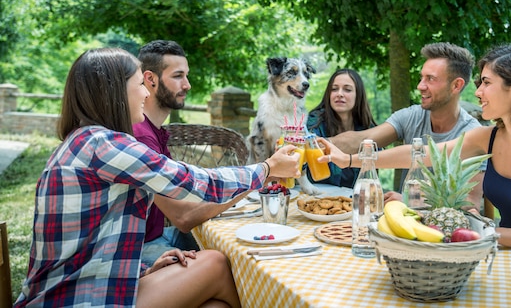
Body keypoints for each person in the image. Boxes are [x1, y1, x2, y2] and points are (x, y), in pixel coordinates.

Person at [15, 47, 300, 308]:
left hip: (91, 286)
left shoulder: (87, 141)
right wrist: (267, 168)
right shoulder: (104, 146)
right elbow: (194, 183)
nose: (146, 94)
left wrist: (144, 271)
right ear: (114, 92)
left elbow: (93, 244)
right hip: (72, 299)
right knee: (215, 262)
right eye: (140, 84)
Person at [320, 44, 511, 255]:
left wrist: (489, 234)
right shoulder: (487, 137)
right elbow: (422, 154)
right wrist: (351, 160)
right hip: (502, 255)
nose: (478, 92)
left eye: (486, 82)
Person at [135, 40, 246, 267]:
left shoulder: (154, 130)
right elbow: (184, 218)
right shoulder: (141, 136)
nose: (187, 85)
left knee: (239, 246)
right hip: (142, 248)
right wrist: (256, 181)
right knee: (228, 263)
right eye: (178, 76)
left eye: (186, 76)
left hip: (161, 234)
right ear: (151, 79)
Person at [329, 42, 483, 202]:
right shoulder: (412, 116)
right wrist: (317, 144)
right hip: (400, 220)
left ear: (456, 85)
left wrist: (409, 201)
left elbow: (469, 203)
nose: (420, 86)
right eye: (421, 78)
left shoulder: (473, 134)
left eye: (430, 79)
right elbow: (363, 140)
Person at [305, 69, 377, 188]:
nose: (339, 94)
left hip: (355, 200)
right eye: (334, 89)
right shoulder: (312, 123)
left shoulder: (367, 128)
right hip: (315, 199)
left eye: (347, 89)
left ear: (358, 95)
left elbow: (377, 162)